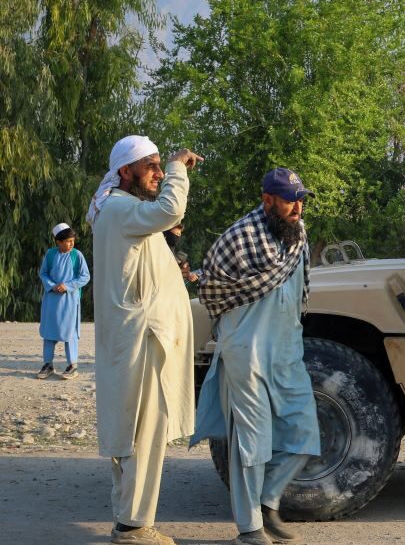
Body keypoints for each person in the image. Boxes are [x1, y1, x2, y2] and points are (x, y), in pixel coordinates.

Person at [192, 168, 319, 545]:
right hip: (246, 354)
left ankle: (267, 502)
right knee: (252, 444)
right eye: (288, 199)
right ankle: (249, 529)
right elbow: (213, 292)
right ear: (267, 201)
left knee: (305, 431)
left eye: (300, 199)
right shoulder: (238, 238)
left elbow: (299, 292)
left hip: (286, 352)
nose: (297, 206)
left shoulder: (298, 235)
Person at [90, 135, 203, 545]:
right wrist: (177, 166)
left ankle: (129, 520)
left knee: (134, 433)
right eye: (150, 165)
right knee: (144, 435)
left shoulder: (120, 210)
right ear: (125, 172)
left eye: (160, 165)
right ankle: (135, 527)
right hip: (143, 343)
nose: (157, 172)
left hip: (138, 342)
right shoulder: (121, 207)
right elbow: (171, 207)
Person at [37, 223, 91, 380]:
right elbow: (43, 273)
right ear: (58, 241)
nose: (72, 244)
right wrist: (52, 286)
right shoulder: (50, 254)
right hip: (51, 299)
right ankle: (48, 364)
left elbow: (85, 276)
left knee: (70, 333)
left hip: (69, 300)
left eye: (73, 240)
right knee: (49, 332)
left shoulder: (77, 255)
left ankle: (72, 365)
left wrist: (67, 286)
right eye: (68, 241)